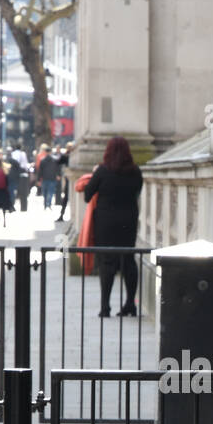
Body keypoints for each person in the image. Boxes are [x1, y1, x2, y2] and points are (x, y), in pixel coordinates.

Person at [82, 136, 143, 317]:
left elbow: (87, 195)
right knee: (128, 261)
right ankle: (130, 303)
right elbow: (137, 191)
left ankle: (105, 306)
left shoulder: (102, 171)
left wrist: (95, 176)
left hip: (106, 222)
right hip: (128, 220)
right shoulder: (135, 172)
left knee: (107, 261)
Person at [35, 144, 58, 211]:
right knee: (50, 192)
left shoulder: (43, 160)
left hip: (45, 178)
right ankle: (49, 204)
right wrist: (58, 175)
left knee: (45, 192)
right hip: (52, 178)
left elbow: (40, 171)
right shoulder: (54, 160)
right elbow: (57, 169)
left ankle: (46, 204)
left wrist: (39, 180)